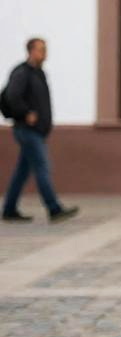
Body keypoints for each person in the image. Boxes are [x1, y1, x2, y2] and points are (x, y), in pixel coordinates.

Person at [2, 38, 79, 223]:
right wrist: (25, 113)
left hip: (37, 131)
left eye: (45, 49)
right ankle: (54, 209)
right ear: (30, 51)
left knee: (22, 172)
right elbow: (11, 95)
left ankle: (9, 210)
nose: (45, 53)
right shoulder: (22, 72)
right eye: (41, 50)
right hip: (27, 130)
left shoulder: (39, 73)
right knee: (43, 167)